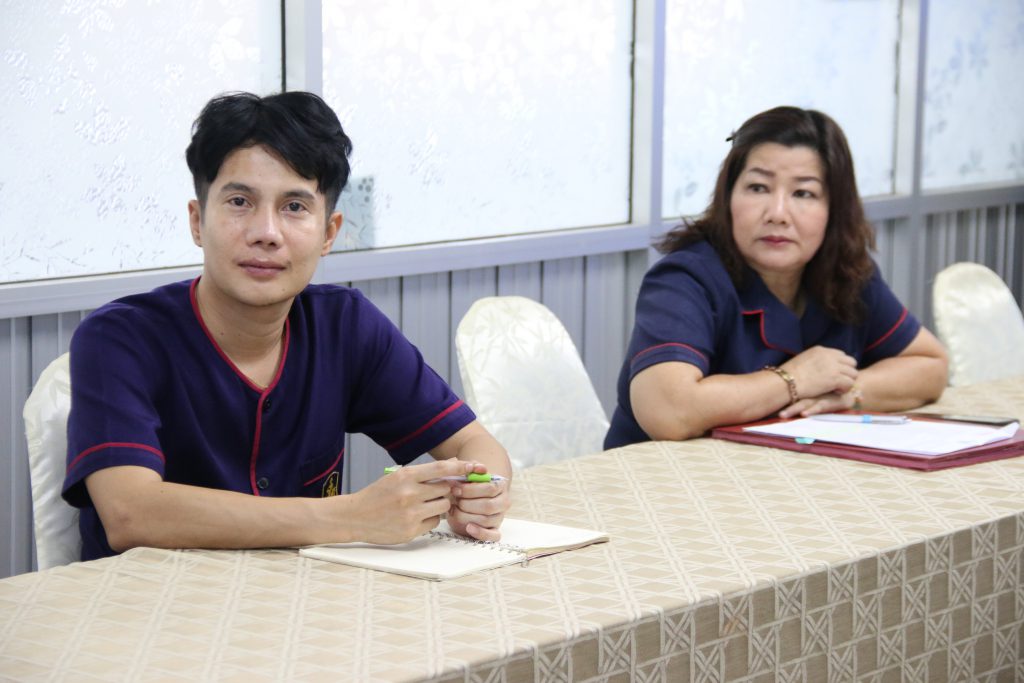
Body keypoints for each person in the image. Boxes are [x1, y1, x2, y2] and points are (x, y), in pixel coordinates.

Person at [63, 91, 512, 561]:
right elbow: (130, 513)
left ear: (329, 233)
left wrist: (481, 494)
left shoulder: (345, 325)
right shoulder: (119, 338)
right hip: (152, 602)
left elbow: (473, 442)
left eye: (294, 207)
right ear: (197, 222)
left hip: (303, 598)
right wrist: (353, 517)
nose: (266, 233)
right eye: (240, 201)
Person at [605, 106, 948, 448]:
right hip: (669, 479)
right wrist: (795, 378)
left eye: (803, 193)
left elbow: (931, 366)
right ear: (728, 197)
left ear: (835, 210)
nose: (778, 214)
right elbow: (669, 411)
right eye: (758, 188)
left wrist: (850, 392)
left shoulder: (847, 274)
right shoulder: (686, 278)